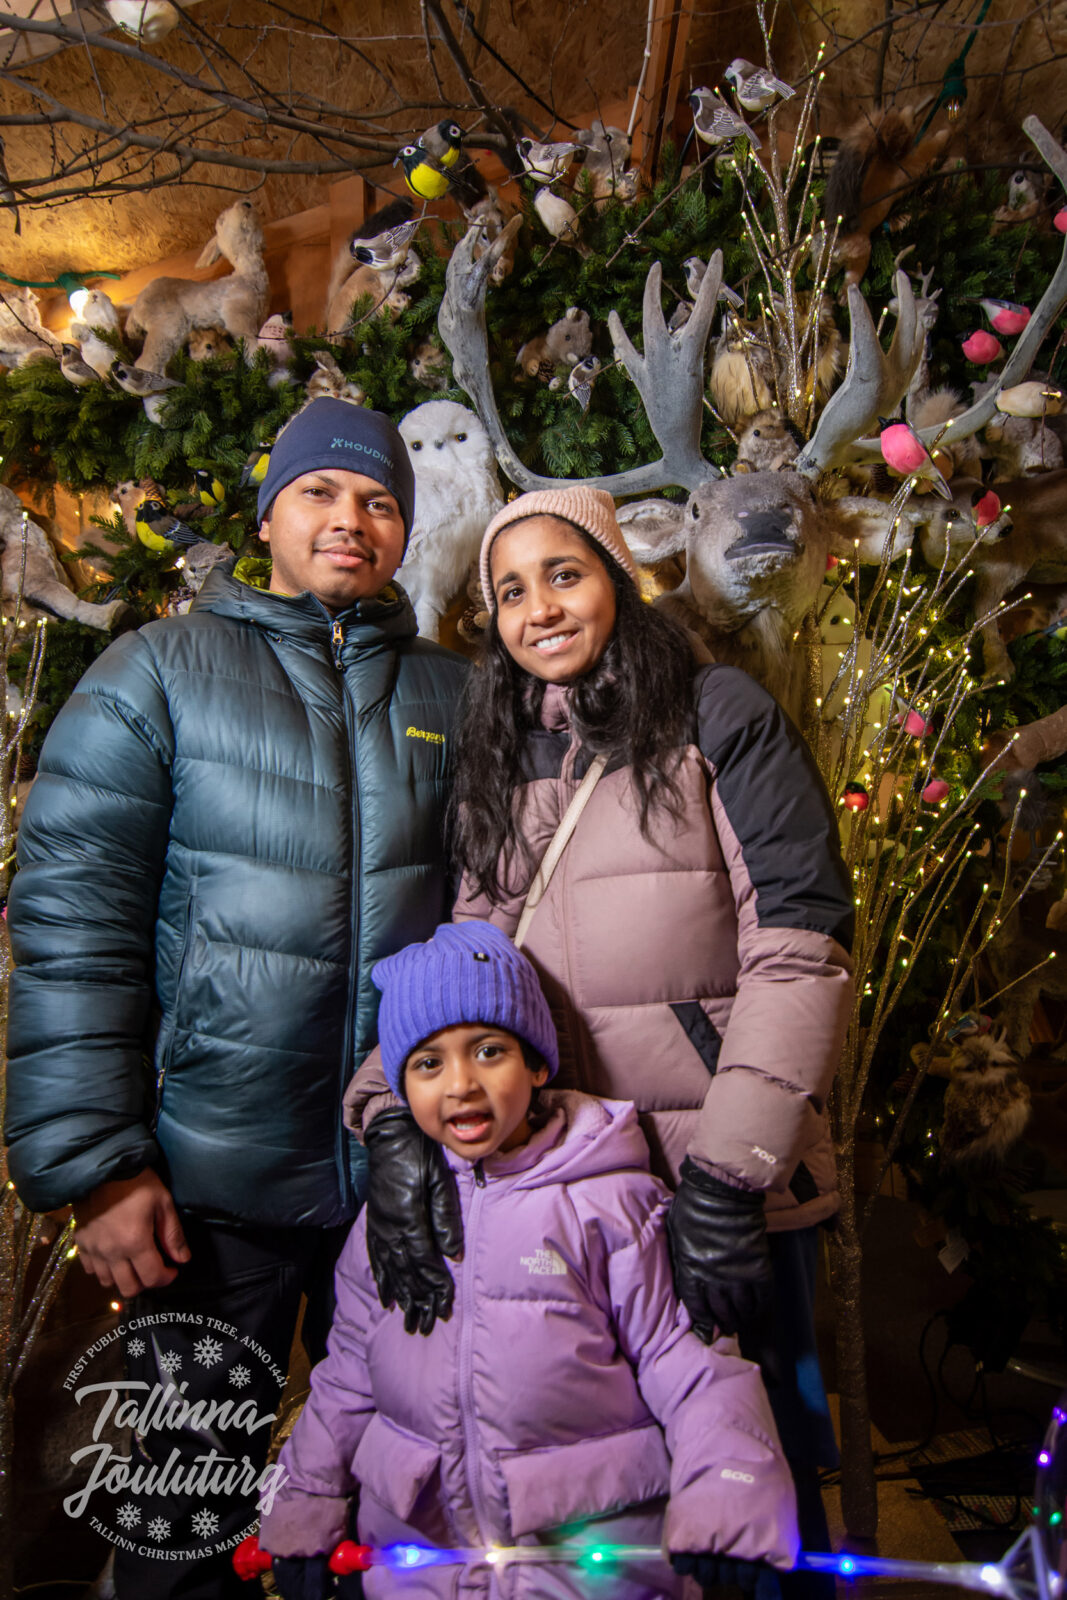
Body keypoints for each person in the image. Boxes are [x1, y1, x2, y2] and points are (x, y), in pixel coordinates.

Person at [347, 486, 854, 1593]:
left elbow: (799, 946)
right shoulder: (503, 752)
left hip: (711, 1181)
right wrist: (389, 1111)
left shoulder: (718, 714)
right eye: (508, 591)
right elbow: (468, 962)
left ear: (619, 579)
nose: (537, 609)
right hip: (572, 1198)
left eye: (563, 575)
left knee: (760, 1481)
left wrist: (726, 1176)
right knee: (623, 1499)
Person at [4, 399, 468, 1600]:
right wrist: (98, 1165)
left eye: (378, 500)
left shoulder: (454, 693)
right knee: (182, 1520)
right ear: (267, 516)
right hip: (210, 1191)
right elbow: (73, 929)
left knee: (393, 1516)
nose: (349, 518)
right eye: (319, 492)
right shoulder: (156, 673)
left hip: (408, 1188)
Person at [259, 921, 800, 1600]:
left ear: (537, 1065)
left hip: (587, 1562)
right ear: (399, 1086)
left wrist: (729, 1485)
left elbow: (688, 1363)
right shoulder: (392, 1219)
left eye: (488, 1051)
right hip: (420, 1554)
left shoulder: (611, 1200)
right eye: (428, 1064)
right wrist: (306, 1501)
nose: (461, 1084)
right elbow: (346, 1373)